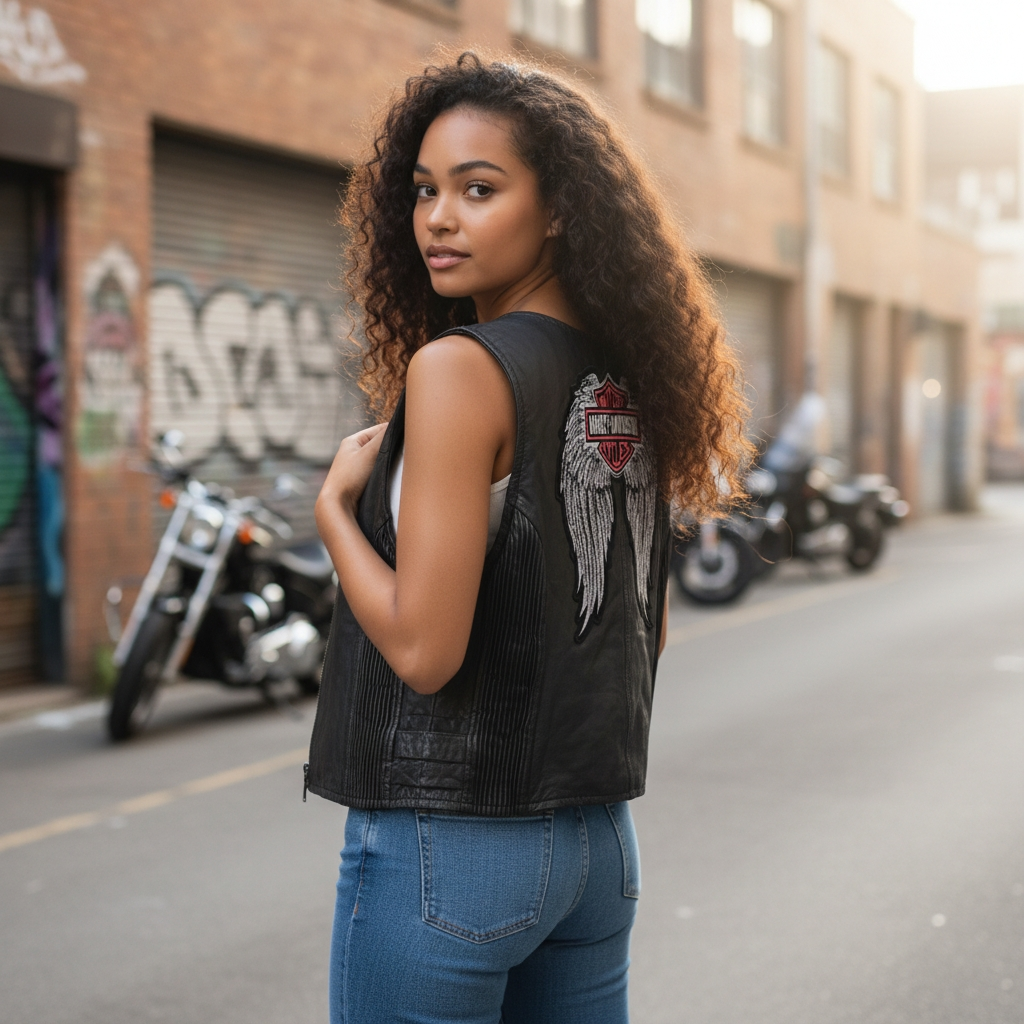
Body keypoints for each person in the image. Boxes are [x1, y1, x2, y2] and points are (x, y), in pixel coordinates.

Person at [307, 51, 749, 1024]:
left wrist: (333, 512)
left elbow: (424, 651)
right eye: (424, 190)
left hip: (451, 849)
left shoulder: (459, 370)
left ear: (557, 209)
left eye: (479, 188)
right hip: (596, 848)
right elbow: (640, 632)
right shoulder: (635, 377)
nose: (438, 217)